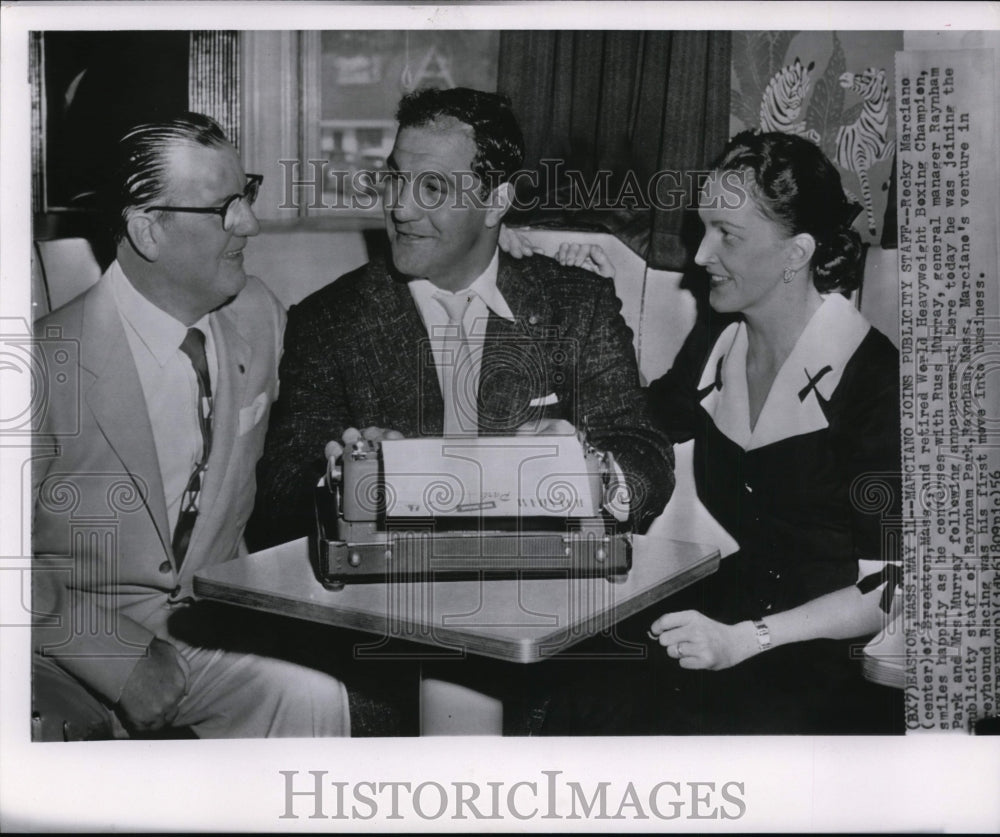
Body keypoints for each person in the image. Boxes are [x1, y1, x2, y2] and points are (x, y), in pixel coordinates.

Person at [31, 113, 350, 739]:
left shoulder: (255, 313)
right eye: (224, 208)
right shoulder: (44, 364)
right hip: (62, 647)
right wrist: (119, 662)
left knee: (309, 696)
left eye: (247, 194)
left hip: (205, 629)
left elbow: (333, 376)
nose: (249, 224)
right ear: (148, 229)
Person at [253, 87, 674, 548]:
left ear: (496, 202)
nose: (400, 208)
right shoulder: (328, 320)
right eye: (395, 179)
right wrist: (349, 481)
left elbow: (645, 456)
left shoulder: (577, 303)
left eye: (432, 187)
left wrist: (581, 468)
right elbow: (281, 491)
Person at [636, 130, 903, 734]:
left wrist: (745, 641)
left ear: (795, 253)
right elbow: (648, 419)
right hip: (723, 629)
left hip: (829, 663)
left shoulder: (875, 384)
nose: (700, 255)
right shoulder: (718, 339)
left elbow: (890, 589)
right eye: (703, 227)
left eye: (726, 234)